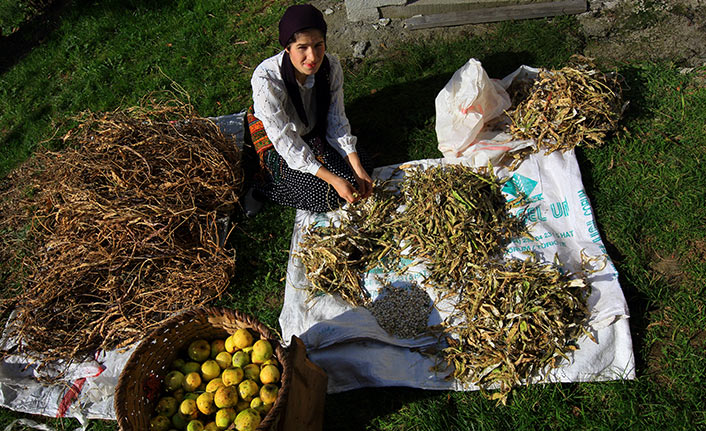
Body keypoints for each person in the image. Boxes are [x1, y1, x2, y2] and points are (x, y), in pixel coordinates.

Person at [244, 3, 373, 214]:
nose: (312, 57)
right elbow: (286, 141)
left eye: (318, 45)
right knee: (324, 196)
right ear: (287, 48)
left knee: (362, 169)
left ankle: (336, 167)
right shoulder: (266, 79)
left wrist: (356, 167)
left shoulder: (330, 67)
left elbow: (336, 119)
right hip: (280, 138)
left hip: (312, 127)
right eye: (302, 48)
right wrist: (332, 179)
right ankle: (262, 187)